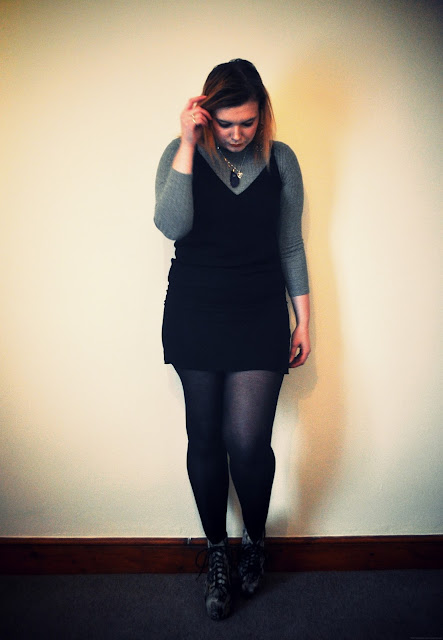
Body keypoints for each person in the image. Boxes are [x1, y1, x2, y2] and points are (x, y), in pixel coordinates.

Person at [154, 59, 310, 620]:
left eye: (247, 122)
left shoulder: (281, 159)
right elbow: (171, 225)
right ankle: (217, 551)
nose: (238, 134)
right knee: (204, 438)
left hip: (259, 314)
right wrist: (187, 143)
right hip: (195, 312)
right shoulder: (180, 155)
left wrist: (304, 320)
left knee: (246, 443)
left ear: (262, 113)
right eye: (226, 123)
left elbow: (290, 244)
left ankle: (255, 541)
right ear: (206, 113)